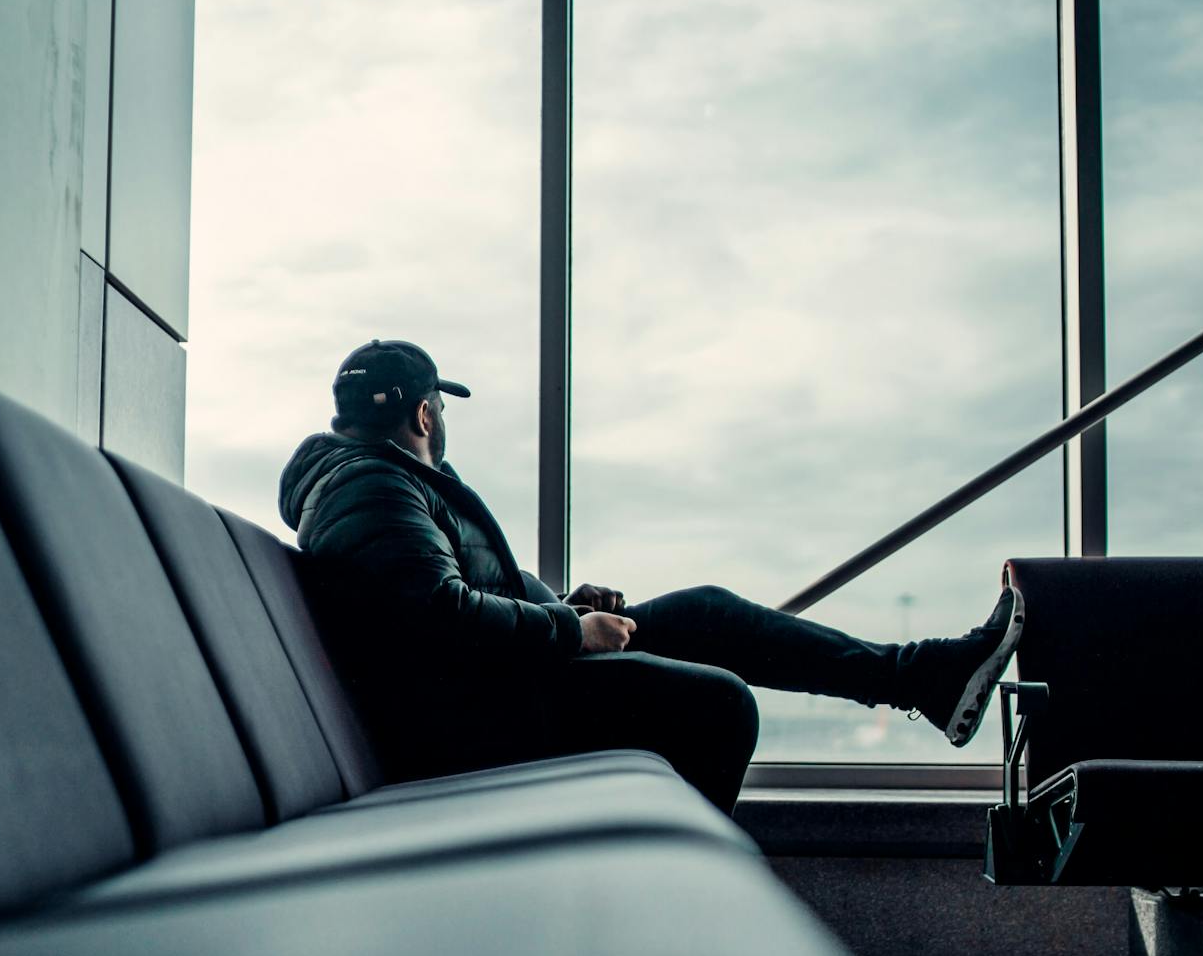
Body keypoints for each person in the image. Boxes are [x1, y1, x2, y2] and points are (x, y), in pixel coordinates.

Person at [279, 339, 1024, 812]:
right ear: (424, 414)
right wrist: (572, 630)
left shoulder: (377, 482)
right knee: (717, 706)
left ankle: (921, 679)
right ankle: (682, 920)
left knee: (708, 613)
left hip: (492, 685)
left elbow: (445, 597)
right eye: (440, 406)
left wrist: (564, 607)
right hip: (471, 722)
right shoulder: (370, 489)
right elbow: (435, 614)